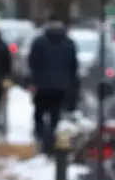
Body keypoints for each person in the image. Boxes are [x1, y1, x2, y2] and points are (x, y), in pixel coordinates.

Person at [28, 13, 79, 154]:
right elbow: (73, 66)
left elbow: (33, 63)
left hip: (42, 86)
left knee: (39, 114)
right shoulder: (69, 43)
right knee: (55, 115)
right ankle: (51, 139)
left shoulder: (39, 42)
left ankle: (44, 139)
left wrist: (34, 81)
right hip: (61, 86)